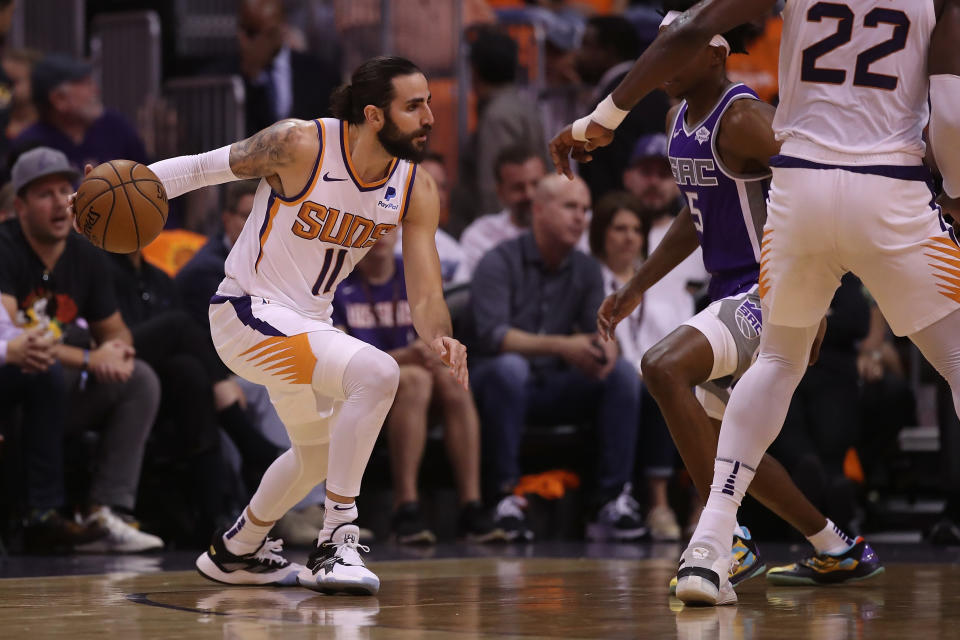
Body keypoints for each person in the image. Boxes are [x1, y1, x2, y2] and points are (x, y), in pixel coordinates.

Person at [553, 0, 960, 606]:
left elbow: (692, 27)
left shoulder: (740, 111)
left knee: (763, 369)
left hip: (795, 202)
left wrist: (603, 116)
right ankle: (799, 542)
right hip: (886, 185)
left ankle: (715, 544)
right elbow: (949, 113)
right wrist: (952, 190)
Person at [109, 56, 468, 595]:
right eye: (414, 106)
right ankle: (335, 541)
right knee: (377, 374)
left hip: (306, 328)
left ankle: (237, 549)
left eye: (429, 105)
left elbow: (425, 293)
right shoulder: (301, 144)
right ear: (374, 114)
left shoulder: (417, 189)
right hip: (245, 311)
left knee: (316, 455)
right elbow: (201, 168)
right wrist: (113, 189)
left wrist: (439, 334)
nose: (429, 117)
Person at [596, 8, 879, 597]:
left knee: (662, 365)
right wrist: (637, 284)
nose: (664, 60)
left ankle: (728, 536)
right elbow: (696, 213)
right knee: (730, 445)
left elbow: (820, 193)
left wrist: (816, 295)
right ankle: (835, 547)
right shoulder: (678, 116)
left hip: (772, 288)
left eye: (679, 48)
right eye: (662, 48)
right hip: (729, 289)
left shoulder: (747, 117)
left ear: (715, 55)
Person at [0, 147, 162, 552]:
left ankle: (105, 512)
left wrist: (115, 354)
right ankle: (40, 515)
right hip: (19, 385)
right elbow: (12, 343)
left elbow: (118, 334)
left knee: (140, 377)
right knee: (42, 368)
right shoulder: (5, 248)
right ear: (19, 205)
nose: (59, 203)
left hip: (60, 386)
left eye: (64, 190)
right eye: (44, 194)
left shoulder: (87, 254)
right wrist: (91, 357)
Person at [469, 173, 644, 542]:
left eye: (584, 209)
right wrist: (564, 346)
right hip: (494, 385)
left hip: (557, 386)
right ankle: (504, 498)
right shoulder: (498, 261)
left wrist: (606, 349)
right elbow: (494, 336)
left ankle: (612, 501)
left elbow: (598, 334)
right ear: (539, 210)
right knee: (510, 369)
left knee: (624, 375)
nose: (580, 217)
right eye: (569, 207)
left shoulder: (584, 268)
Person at [332, 229, 500, 544]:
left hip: (418, 393)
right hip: (358, 394)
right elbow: (340, 358)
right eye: (372, 226)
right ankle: (405, 506)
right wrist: (404, 357)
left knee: (452, 378)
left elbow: (437, 332)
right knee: (413, 378)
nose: (380, 235)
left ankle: (471, 505)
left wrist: (438, 351)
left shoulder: (414, 275)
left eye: (388, 227)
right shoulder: (339, 282)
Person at [587, 191, 681, 541]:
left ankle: (704, 508)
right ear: (601, 235)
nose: (629, 237)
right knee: (649, 386)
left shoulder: (658, 283)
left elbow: (676, 334)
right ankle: (656, 502)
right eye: (619, 229)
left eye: (636, 229)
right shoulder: (589, 278)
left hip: (651, 371)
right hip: (610, 376)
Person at [573, 15, 670, 201]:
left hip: (620, 211)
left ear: (609, 51)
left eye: (586, 46)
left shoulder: (607, 105)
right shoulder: (657, 95)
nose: (578, 54)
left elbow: (602, 179)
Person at [218, 0, 341, 136]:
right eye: (241, 28)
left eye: (252, 32)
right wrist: (252, 78)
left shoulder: (321, 76)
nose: (243, 40)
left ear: (278, 32)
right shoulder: (221, 81)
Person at [464, 26, 549, 221]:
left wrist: (492, 232)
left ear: (475, 71)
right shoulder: (522, 106)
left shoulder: (497, 117)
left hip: (508, 229)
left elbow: (493, 189)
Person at [13, 54, 148, 170]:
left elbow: (150, 180)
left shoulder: (115, 126)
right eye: (86, 84)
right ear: (59, 99)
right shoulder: (30, 146)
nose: (96, 90)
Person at [455, 146, 547, 281]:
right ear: (500, 192)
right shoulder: (480, 235)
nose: (529, 194)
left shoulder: (573, 225)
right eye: (518, 187)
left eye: (536, 184)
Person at [392, 152, 465, 286]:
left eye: (442, 187)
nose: (439, 196)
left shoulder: (454, 251)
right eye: (428, 184)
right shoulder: (380, 244)